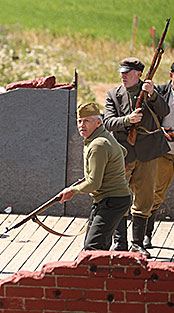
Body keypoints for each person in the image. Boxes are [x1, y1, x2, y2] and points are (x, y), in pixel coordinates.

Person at [104, 57, 169, 257]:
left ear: (139, 74)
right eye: (121, 72)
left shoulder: (152, 91)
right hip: (123, 153)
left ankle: (138, 243)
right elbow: (108, 122)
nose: (123, 76)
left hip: (148, 153)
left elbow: (164, 111)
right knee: (119, 196)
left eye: (127, 72)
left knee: (145, 199)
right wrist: (127, 120)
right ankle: (119, 242)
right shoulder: (113, 94)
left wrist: (152, 95)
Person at [58, 103, 131, 250]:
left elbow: (94, 183)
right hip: (108, 200)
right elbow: (123, 152)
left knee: (93, 248)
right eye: (79, 121)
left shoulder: (98, 144)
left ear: (98, 122)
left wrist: (73, 190)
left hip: (112, 201)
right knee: (95, 247)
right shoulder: (103, 137)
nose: (81, 125)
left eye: (87, 121)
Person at [147, 62, 174, 248]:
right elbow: (148, 117)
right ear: (172, 76)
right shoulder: (161, 92)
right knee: (154, 195)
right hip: (164, 152)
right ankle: (146, 234)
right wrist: (160, 131)